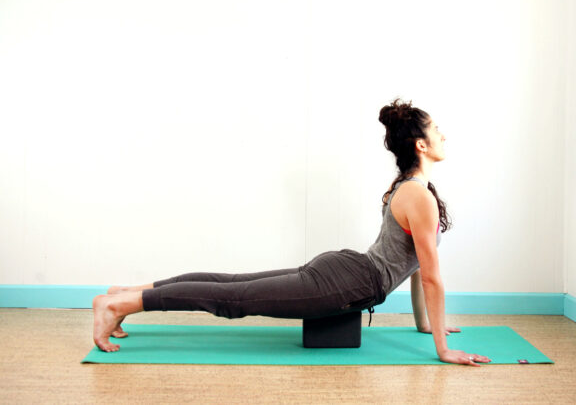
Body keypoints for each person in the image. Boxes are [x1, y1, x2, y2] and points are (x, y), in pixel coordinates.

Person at [92, 99, 491, 366]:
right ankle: (121, 305)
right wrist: (443, 348)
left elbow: (419, 270)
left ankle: (123, 295)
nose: (444, 135)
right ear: (421, 144)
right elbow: (433, 275)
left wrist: (427, 327)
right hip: (347, 283)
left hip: (346, 270)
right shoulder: (418, 195)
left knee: (231, 285)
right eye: (437, 130)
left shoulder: (408, 187)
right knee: (233, 298)